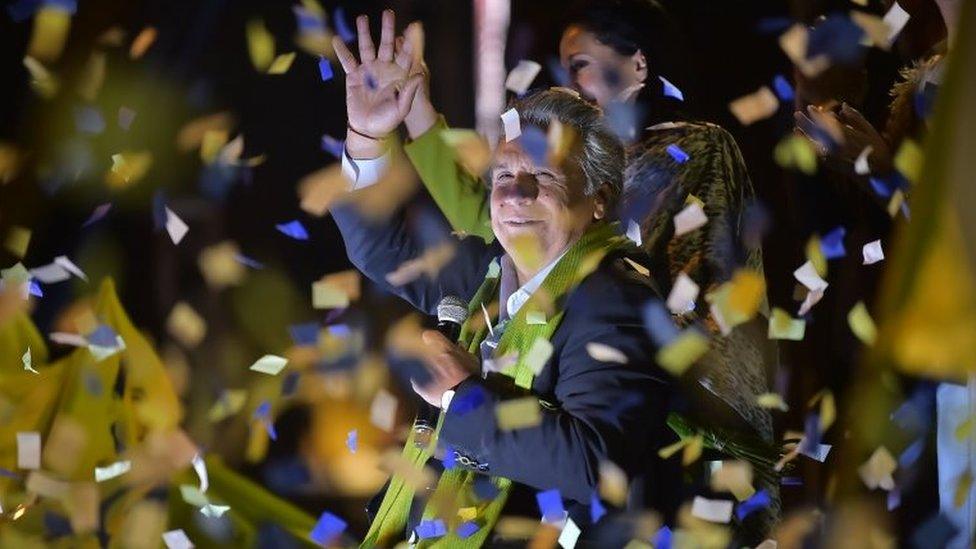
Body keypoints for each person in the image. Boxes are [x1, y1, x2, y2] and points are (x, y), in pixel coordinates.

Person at [343, 3, 777, 449]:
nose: (570, 85)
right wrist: (399, 115)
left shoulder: (693, 146)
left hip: (676, 419)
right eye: (564, 70)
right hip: (566, 391)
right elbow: (496, 222)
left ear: (639, 64)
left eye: (580, 66)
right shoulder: (553, 180)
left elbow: (515, 228)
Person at [331, 20, 682, 545]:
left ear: (600, 199)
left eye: (541, 177)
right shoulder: (486, 273)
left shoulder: (616, 302)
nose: (514, 195)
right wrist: (367, 135)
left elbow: (594, 465)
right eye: (501, 177)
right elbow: (378, 249)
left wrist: (463, 397)